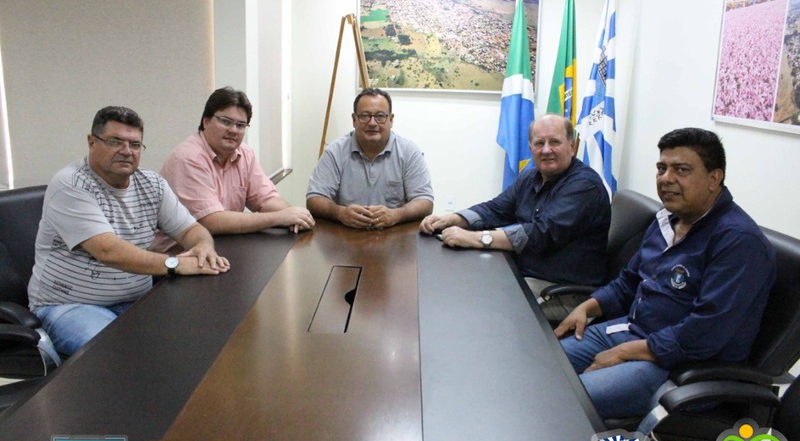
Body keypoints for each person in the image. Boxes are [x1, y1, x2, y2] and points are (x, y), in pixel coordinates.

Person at [554, 128, 776, 420]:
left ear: (714, 178)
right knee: (537, 368)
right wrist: (587, 306)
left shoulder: (738, 241)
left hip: (680, 365)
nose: (666, 178)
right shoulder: (666, 219)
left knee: (560, 401)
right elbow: (628, 283)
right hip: (633, 331)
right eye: (662, 168)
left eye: (681, 170)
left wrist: (625, 353)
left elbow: (705, 333)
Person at [28, 106, 231, 356]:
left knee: (198, 337)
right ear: (92, 142)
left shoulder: (151, 183)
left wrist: (203, 247)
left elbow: (191, 229)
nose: (126, 151)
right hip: (71, 305)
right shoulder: (70, 185)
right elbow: (108, 251)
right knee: (115, 355)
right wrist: (174, 264)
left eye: (135, 145)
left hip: (137, 300)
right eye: (115, 142)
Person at [419, 114, 610, 320]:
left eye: (555, 142)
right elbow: (496, 209)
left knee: (483, 313)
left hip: (562, 292)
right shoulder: (531, 177)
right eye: (539, 143)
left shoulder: (584, 185)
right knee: (461, 289)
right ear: (530, 147)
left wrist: (476, 238)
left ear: (572, 146)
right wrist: (453, 219)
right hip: (525, 274)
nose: (546, 150)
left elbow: (539, 233)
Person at [155, 87, 314, 252]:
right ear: (206, 121)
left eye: (240, 125)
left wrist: (293, 216)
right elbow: (212, 221)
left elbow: (265, 199)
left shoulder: (244, 153)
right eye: (225, 121)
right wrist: (279, 217)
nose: (233, 130)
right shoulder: (188, 158)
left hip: (221, 249)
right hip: (176, 258)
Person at [306, 87, 433, 229]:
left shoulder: (409, 152)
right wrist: (340, 213)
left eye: (380, 116)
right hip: (346, 238)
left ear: (391, 120)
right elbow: (314, 198)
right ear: (354, 120)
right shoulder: (335, 152)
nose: (372, 123)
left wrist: (396, 215)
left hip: (396, 238)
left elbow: (425, 201)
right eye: (365, 116)